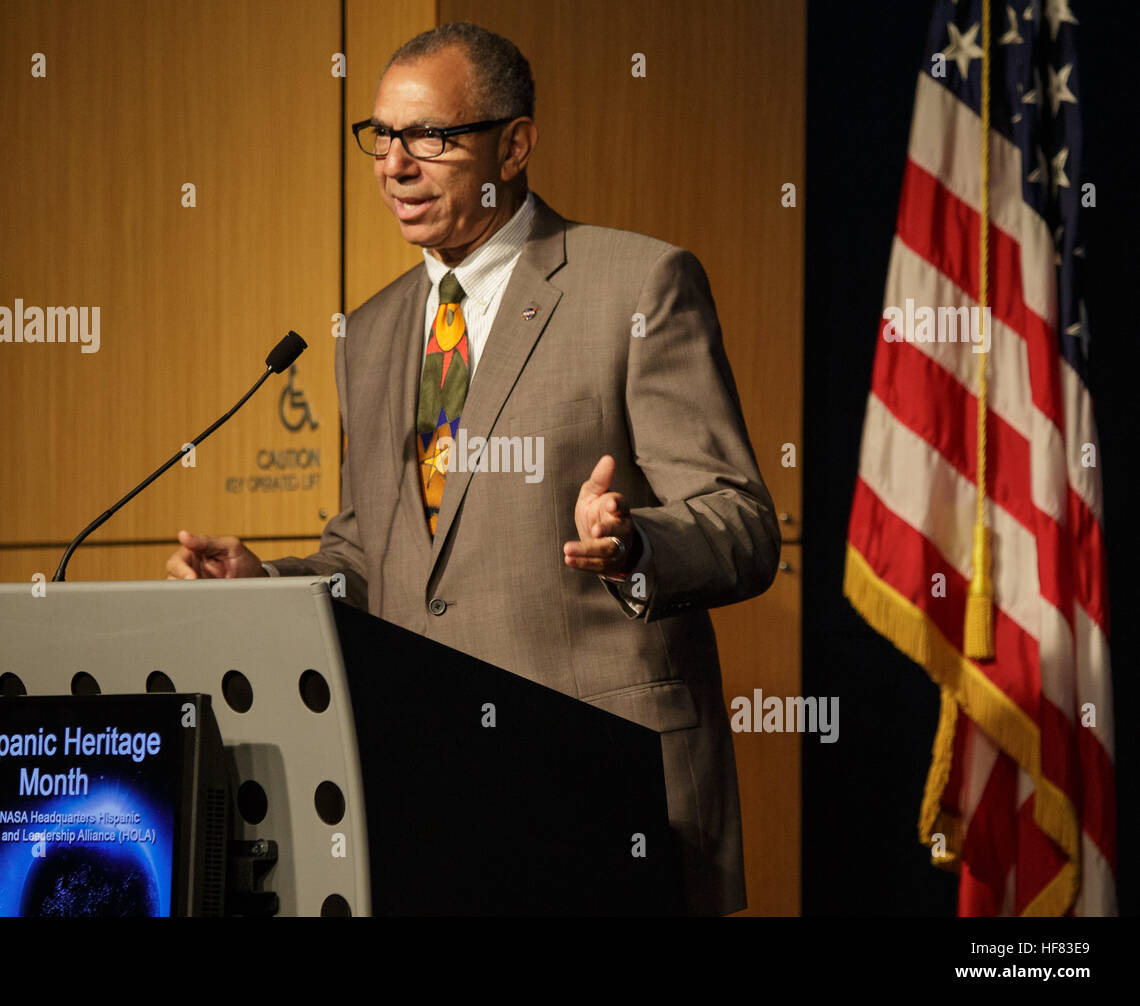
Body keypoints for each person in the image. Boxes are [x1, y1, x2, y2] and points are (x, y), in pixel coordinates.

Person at [166, 22, 780, 915]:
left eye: (433, 138)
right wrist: (268, 584)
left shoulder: (637, 285)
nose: (396, 165)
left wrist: (637, 544)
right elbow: (372, 563)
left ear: (516, 143)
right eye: (382, 136)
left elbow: (742, 521)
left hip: (605, 794)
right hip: (432, 799)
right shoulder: (369, 335)